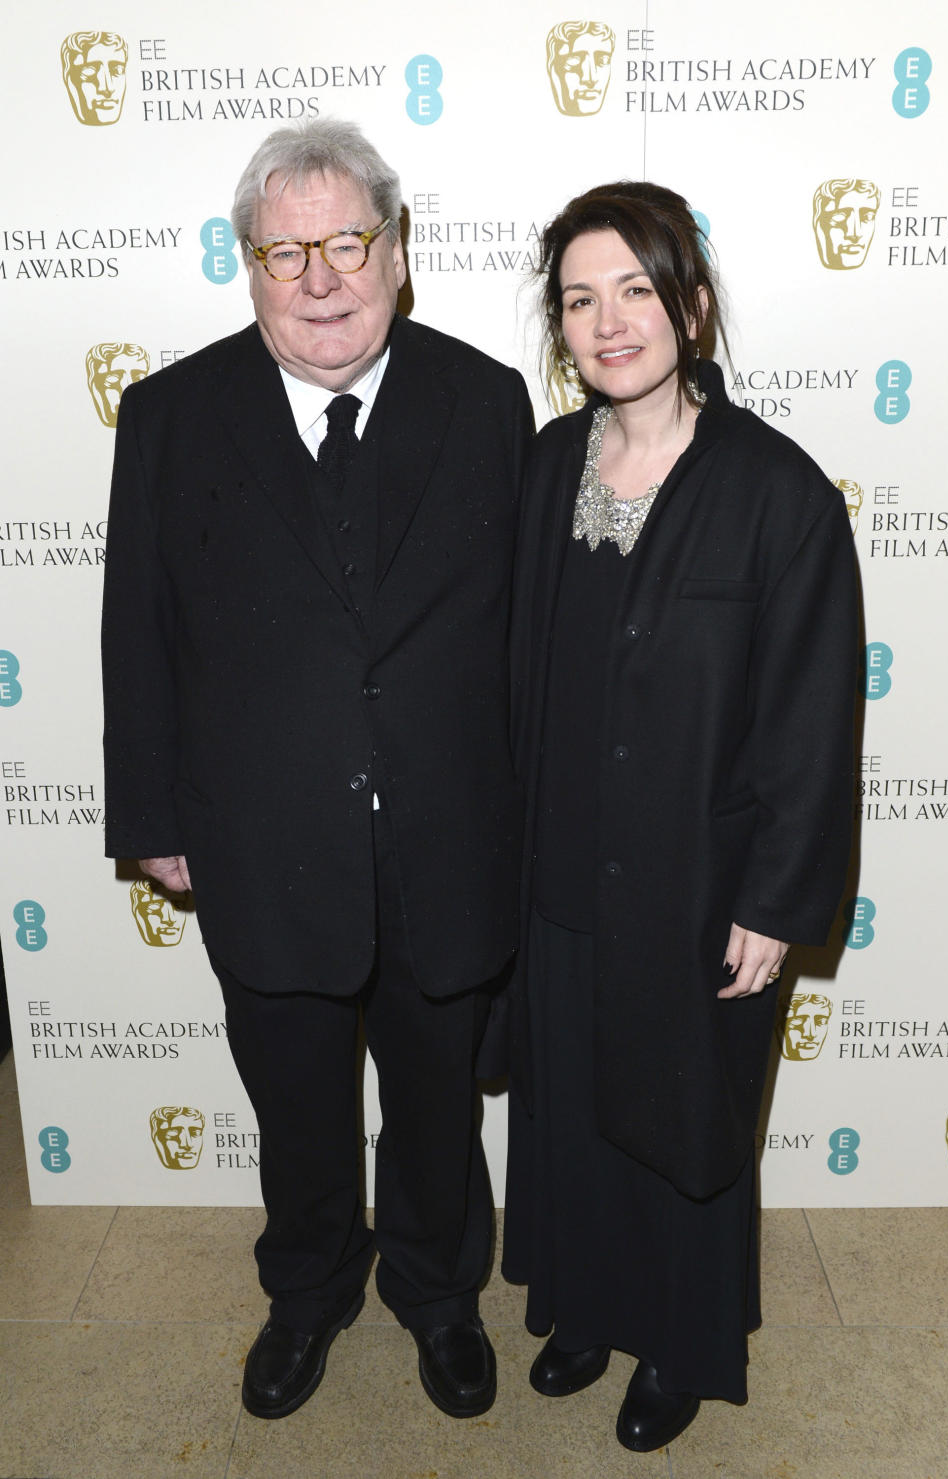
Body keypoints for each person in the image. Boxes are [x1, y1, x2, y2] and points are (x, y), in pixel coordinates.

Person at [101, 118, 532, 1422]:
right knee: (294, 1105)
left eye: (348, 242)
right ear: (248, 264)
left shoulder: (486, 398)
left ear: (397, 252)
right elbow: (141, 627)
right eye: (287, 251)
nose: (321, 277)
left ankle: (440, 1293)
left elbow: (521, 635)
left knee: (436, 1107)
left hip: (449, 838)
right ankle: (306, 1292)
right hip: (262, 840)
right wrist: (153, 815)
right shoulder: (172, 413)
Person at [503, 182, 858, 1451]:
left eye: (636, 291)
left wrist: (777, 900)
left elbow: (816, 719)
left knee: (680, 1122)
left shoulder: (779, 495)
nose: (610, 323)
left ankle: (677, 1347)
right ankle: (587, 1313)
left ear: (691, 306)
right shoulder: (545, 469)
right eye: (580, 299)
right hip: (557, 877)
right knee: (575, 1106)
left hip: (696, 885)